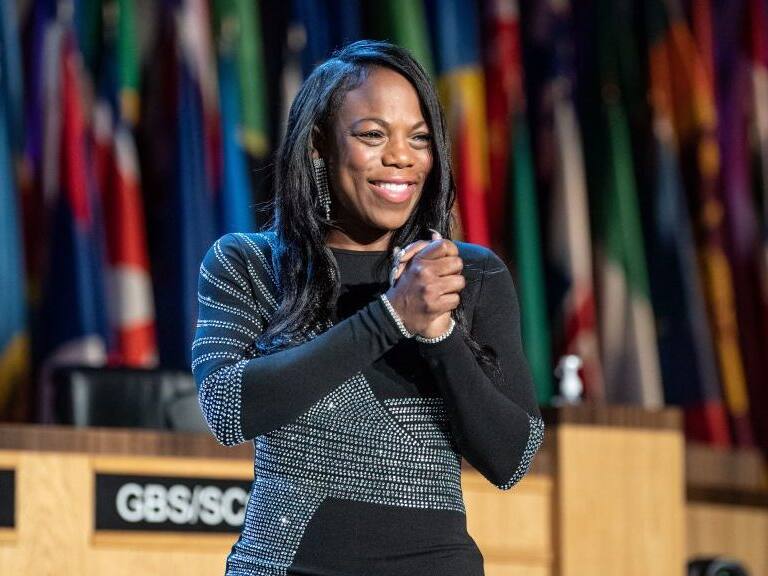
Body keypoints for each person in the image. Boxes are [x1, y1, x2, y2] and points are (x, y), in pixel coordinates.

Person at [192, 40, 544, 576]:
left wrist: (439, 335)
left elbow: (511, 459)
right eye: (372, 135)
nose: (401, 156)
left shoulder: (467, 274)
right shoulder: (250, 264)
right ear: (319, 145)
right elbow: (227, 409)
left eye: (419, 138)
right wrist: (391, 317)